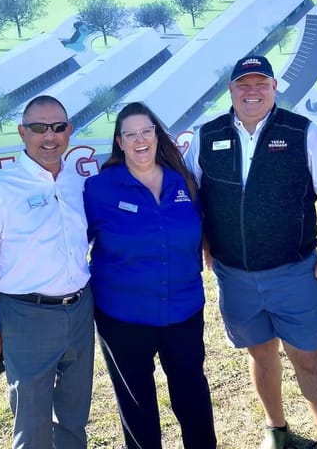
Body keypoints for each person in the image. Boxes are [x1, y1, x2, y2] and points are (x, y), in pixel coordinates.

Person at [185, 55, 317, 449]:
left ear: (274, 87)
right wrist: (204, 241)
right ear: (231, 90)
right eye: (243, 84)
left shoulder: (302, 132)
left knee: (308, 359)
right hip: (234, 275)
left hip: (295, 272)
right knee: (260, 355)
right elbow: (193, 195)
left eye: (261, 83)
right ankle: (277, 431)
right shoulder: (207, 136)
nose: (252, 91)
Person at [0, 95, 94, 449]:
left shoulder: (78, 183)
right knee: (32, 428)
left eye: (58, 127)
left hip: (81, 312)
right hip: (27, 317)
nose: (49, 136)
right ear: (23, 132)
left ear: (69, 131)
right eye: (38, 128)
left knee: (75, 417)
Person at [83, 102, 217, 449]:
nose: (140, 140)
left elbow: (205, 224)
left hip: (184, 309)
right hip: (123, 317)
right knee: (138, 407)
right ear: (120, 141)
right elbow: (70, 243)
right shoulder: (98, 189)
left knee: (193, 398)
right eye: (131, 134)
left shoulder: (184, 181)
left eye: (147, 131)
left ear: (157, 135)